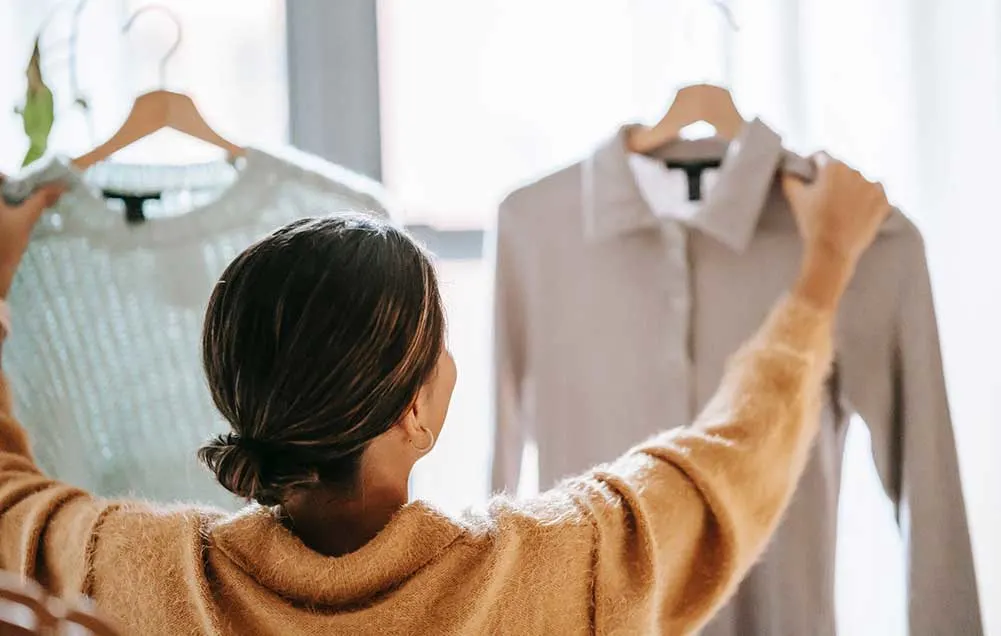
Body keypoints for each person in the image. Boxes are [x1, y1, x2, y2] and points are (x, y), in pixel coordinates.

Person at [0, 156, 890, 635]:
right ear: (415, 412)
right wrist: (822, 271)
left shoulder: (127, 571)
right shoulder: (559, 571)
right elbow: (734, 456)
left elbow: (12, 502)